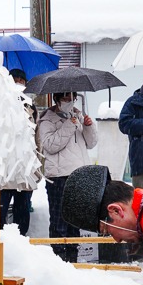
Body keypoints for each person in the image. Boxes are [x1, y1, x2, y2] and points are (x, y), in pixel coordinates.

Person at [38, 92, 97, 261]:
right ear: (56, 99)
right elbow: (50, 145)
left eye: (72, 98)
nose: (69, 101)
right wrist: (69, 126)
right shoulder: (47, 120)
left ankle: (73, 258)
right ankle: (59, 258)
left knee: (74, 221)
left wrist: (88, 126)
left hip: (78, 175)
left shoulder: (77, 115)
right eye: (65, 98)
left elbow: (91, 143)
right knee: (59, 221)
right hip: (58, 177)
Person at [0, 68, 38, 236]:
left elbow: (35, 138)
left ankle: (21, 242)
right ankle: (0, 241)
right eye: (15, 80)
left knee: (22, 212)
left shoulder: (31, 106)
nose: (19, 84)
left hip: (24, 168)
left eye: (22, 81)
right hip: (4, 169)